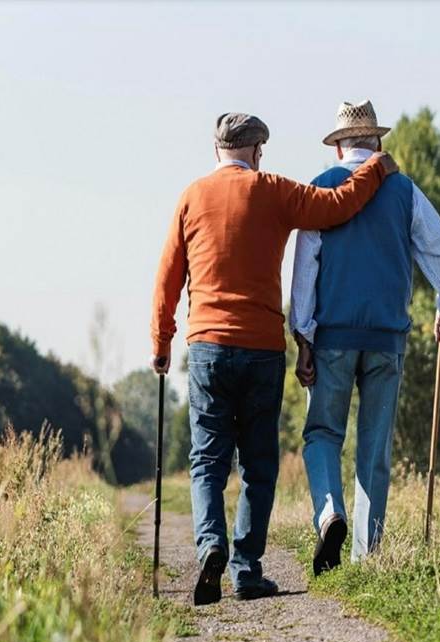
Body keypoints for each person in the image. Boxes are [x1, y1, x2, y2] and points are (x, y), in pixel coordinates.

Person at [150, 112, 399, 605]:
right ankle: (245, 570)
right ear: (258, 150)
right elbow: (336, 206)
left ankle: (210, 549)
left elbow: (167, 278)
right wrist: (376, 169)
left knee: (207, 460)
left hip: (206, 348)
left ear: (217, 150)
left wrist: (161, 342)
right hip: (262, 349)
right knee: (259, 465)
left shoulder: (191, 197)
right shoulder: (273, 190)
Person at [288, 100, 440, 575]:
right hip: (388, 337)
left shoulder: (321, 189)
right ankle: (369, 558)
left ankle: (330, 515)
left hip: (333, 336)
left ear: (339, 144)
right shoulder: (403, 190)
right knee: (374, 445)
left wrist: (302, 335)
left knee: (323, 432)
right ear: (378, 145)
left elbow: (307, 268)